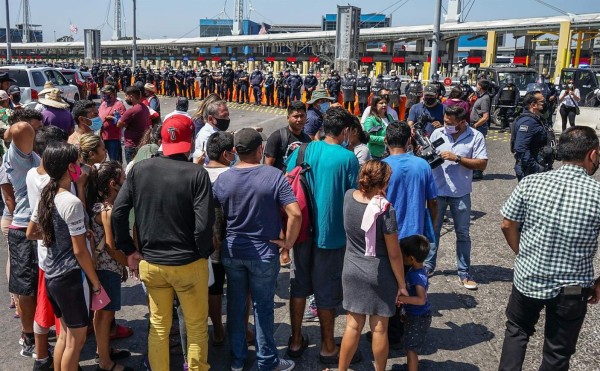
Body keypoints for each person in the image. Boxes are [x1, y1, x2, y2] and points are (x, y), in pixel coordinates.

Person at [112, 115, 214, 371]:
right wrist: (203, 252)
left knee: (158, 326)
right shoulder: (197, 174)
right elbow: (204, 225)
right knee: (196, 326)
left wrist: (130, 250)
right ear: (189, 142)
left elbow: (118, 213)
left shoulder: (138, 170)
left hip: (152, 263)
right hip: (189, 263)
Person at [498, 126, 600, 371]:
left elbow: (507, 223)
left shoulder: (532, 182)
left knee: (517, 331)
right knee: (557, 352)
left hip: (528, 276)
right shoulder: (598, 193)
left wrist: (520, 251)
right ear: (592, 155)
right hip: (573, 287)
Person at [213, 128, 301, 371]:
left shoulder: (224, 179)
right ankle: (267, 360)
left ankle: (238, 360)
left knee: (235, 306)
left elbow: (212, 213)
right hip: (263, 253)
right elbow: (295, 213)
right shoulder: (273, 176)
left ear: (234, 151)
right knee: (263, 308)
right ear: (260, 149)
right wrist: (288, 243)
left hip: (233, 251)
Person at [285, 107, 360, 365]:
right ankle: (328, 347)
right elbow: (354, 197)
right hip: (332, 235)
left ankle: (295, 341)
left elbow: (287, 186)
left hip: (301, 232)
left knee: (298, 287)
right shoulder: (348, 159)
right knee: (326, 292)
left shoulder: (302, 150)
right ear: (346, 131)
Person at [26, 142, 102, 371]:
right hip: (71, 278)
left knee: (65, 337)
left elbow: (31, 232)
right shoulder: (72, 202)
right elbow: (80, 251)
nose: (80, 165)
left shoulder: (47, 195)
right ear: (70, 167)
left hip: (52, 275)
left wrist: (63, 235)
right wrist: (96, 284)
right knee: (76, 342)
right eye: (77, 161)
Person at [338, 160, 407, 371]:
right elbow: (394, 254)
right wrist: (402, 285)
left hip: (351, 267)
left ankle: (341, 369)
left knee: (352, 325)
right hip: (379, 271)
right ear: (384, 182)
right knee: (379, 330)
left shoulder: (349, 197)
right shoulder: (385, 210)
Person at [382, 120, 438, 346]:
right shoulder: (422, 165)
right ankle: (411, 329)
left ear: (386, 141)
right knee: (413, 283)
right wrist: (431, 227)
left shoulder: (382, 166)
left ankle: (391, 333)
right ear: (409, 141)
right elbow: (432, 201)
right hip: (415, 236)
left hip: (390, 237)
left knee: (392, 286)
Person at [424, 105, 488, 289]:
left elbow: (482, 164)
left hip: (460, 192)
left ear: (462, 122)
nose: (446, 126)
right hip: (437, 191)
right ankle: (428, 265)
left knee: (462, 233)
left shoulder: (475, 136)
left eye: (450, 123)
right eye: (445, 121)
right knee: (432, 232)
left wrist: (457, 158)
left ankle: (464, 272)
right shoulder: (438, 133)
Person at [26, 126, 69, 371]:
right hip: (60, 254)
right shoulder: (52, 184)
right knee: (58, 314)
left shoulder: (33, 173)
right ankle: (51, 359)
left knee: (45, 309)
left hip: (45, 253)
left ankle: (42, 357)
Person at [87, 161, 133, 371]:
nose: (126, 181)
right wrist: (130, 264)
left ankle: (102, 351)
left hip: (107, 267)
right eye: (123, 177)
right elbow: (111, 246)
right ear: (113, 184)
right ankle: (105, 362)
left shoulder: (101, 206)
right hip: (106, 269)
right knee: (104, 315)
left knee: (105, 314)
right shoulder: (106, 210)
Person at [5, 121, 41, 358]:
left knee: (41, 284)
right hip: (25, 228)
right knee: (28, 287)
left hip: (38, 226)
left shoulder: (30, 157)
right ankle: (29, 337)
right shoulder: (20, 158)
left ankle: (37, 332)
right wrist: (7, 132)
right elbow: (19, 129)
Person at [203, 131, 234, 348]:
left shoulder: (198, 175)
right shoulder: (233, 176)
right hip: (232, 242)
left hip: (207, 243)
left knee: (212, 290)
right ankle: (239, 329)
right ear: (226, 154)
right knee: (237, 288)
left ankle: (217, 330)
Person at [398, 235, 432, 371]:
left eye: (403, 255)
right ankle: (411, 366)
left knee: (411, 348)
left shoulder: (417, 277)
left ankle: (412, 368)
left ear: (411, 258)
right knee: (408, 344)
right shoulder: (416, 271)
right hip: (413, 315)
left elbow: (421, 299)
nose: (401, 257)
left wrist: (402, 299)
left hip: (419, 317)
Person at [511, 92, 555, 181]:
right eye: (542, 102)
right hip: (530, 170)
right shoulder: (528, 122)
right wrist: (536, 168)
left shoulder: (537, 119)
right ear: (533, 105)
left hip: (540, 163)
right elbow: (521, 148)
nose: (545, 103)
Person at [264, 101, 311, 171]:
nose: (299, 119)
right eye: (296, 116)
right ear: (288, 118)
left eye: (302, 116)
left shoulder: (307, 140)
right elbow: (268, 167)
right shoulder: (276, 137)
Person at [116, 86, 150, 163]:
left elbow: (119, 124)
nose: (125, 98)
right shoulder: (144, 107)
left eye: (126, 96)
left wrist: (117, 118)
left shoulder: (132, 110)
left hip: (132, 145)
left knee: (131, 168)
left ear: (131, 96)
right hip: (141, 143)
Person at [98, 85, 126, 163]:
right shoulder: (103, 103)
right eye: (103, 94)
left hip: (113, 138)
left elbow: (123, 122)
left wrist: (112, 118)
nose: (105, 96)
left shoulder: (119, 105)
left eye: (107, 94)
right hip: (102, 137)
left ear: (113, 94)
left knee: (114, 162)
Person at [470, 79, 492, 179]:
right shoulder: (480, 97)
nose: (476, 87)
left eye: (477, 85)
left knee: (478, 148)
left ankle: (478, 171)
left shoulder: (485, 99)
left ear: (481, 87)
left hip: (479, 127)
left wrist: (476, 125)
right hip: (475, 125)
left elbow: (485, 117)